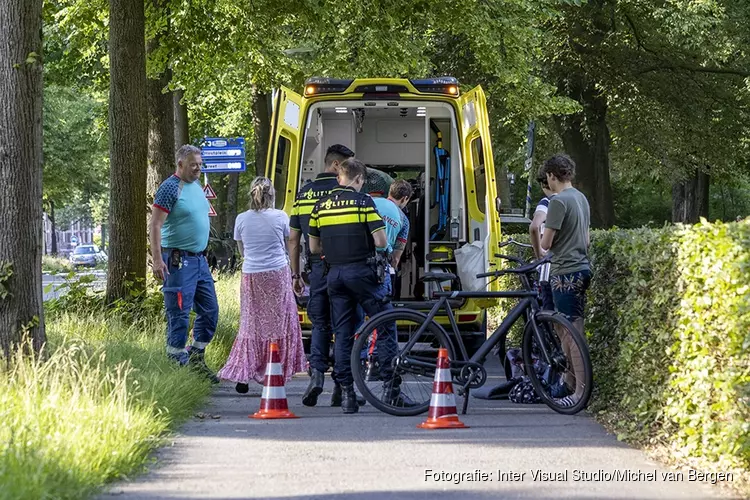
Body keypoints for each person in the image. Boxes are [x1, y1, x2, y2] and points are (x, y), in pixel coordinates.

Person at [308, 158, 403, 414]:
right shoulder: (364, 202)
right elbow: (381, 241)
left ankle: (347, 394)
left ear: (340, 176)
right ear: (359, 179)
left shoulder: (321, 205)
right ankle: (391, 386)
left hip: (334, 276)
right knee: (385, 322)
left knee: (343, 333)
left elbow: (314, 248)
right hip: (363, 274)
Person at [287, 144, 362, 407]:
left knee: (320, 325)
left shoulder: (303, 195)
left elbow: (294, 239)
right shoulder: (345, 193)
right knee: (344, 328)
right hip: (343, 268)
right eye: (346, 167)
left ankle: (316, 376)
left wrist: (295, 274)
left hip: (317, 271)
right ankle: (344, 387)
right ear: (336, 167)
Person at [217, 177, 306, 393]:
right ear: (272, 195)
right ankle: (276, 370)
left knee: (251, 323)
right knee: (280, 322)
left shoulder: (241, 219)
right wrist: (297, 275)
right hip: (277, 272)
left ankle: (244, 373)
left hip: (252, 274)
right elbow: (291, 245)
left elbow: (242, 251)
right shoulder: (281, 217)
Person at [150, 145, 219, 382]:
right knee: (179, 314)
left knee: (210, 311)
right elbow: (156, 224)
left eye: (200, 164)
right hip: (177, 262)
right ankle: (176, 367)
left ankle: (196, 359)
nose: (198, 168)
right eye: (193, 164)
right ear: (180, 164)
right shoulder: (170, 188)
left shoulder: (197, 186)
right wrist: (157, 260)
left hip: (199, 262)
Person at [539, 154, 591, 407]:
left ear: (551, 175)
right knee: (571, 328)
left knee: (572, 334)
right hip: (582, 268)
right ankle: (569, 383)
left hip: (564, 272)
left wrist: (545, 239)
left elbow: (546, 243)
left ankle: (579, 393)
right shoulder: (581, 198)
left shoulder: (558, 202)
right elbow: (588, 240)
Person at [529, 172, 556, 310]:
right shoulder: (573, 200)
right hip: (570, 266)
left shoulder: (547, 202)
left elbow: (535, 226)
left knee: (547, 309)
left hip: (549, 268)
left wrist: (539, 252)